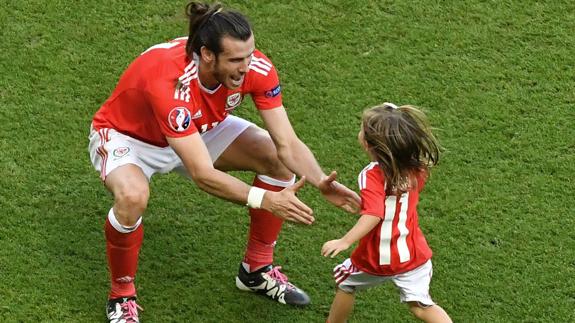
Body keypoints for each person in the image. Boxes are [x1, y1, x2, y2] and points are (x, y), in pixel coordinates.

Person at [88, 1, 361, 322]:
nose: (246, 67)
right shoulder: (170, 81)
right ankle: (122, 295)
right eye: (235, 59)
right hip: (129, 138)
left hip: (196, 128)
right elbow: (202, 174)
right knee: (133, 197)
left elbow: (287, 143)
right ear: (207, 55)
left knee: (276, 160)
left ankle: (255, 270)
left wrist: (318, 181)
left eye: (249, 55)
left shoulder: (255, 68)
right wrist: (265, 199)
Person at [321, 103, 452, 323]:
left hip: (378, 256)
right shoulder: (418, 170)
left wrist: (345, 241)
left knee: (346, 283)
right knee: (421, 306)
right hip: (413, 254)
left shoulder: (372, 174)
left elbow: (374, 213)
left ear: (367, 143)